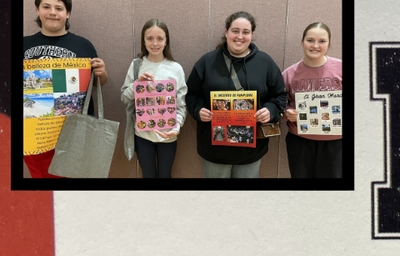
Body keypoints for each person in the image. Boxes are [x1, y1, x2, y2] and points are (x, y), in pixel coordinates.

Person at [186, 11, 287, 178]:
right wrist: (198, 110)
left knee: (244, 201)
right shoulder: (207, 62)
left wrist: (270, 110)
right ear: (226, 32)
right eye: (235, 30)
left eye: (245, 32)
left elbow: (280, 97)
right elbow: (191, 94)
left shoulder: (265, 63)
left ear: (252, 34)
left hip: (251, 151)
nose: (240, 36)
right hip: (215, 150)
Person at [22, 0, 108, 178]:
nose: (53, 12)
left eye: (59, 8)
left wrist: (101, 73)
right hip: (37, 134)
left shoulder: (83, 45)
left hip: (75, 133)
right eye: (46, 7)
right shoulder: (23, 44)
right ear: (37, 10)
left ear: (67, 13)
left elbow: (98, 84)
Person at [119, 19, 187, 178]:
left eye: (160, 38)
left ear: (166, 40)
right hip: (142, 135)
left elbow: (181, 105)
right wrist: (138, 84)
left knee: (165, 176)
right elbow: (124, 98)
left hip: (168, 135)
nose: (154, 43)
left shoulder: (175, 68)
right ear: (144, 40)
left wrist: (176, 126)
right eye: (150, 38)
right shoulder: (137, 65)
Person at [282, 22, 343, 178]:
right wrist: (287, 112)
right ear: (302, 42)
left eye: (322, 41)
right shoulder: (289, 74)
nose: (315, 45)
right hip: (300, 141)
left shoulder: (341, 68)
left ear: (329, 44)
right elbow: (279, 104)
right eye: (310, 40)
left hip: (335, 143)